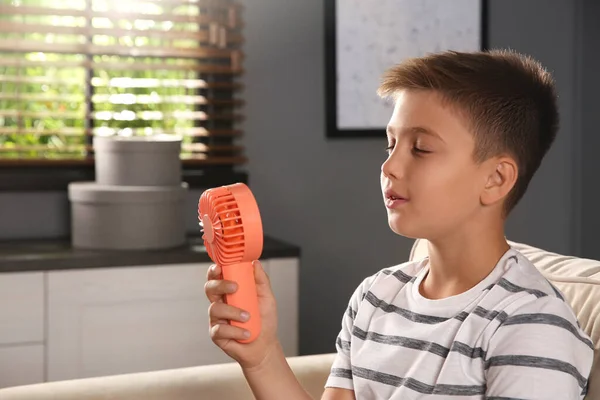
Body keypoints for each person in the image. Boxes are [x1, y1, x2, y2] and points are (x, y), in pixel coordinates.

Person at [204, 49, 594, 399]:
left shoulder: (531, 327)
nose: (389, 167)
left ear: (495, 179)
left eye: (420, 149)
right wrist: (262, 355)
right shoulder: (376, 296)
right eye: (390, 145)